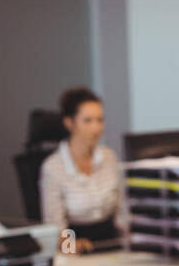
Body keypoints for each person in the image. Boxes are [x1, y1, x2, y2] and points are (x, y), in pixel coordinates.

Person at [38, 86, 123, 254]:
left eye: (100, 120)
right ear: (69, 123)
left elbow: (122, 211)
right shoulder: (53, 167)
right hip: (75, 252)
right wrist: (71, 246)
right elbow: (55, 229)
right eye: (88, 121)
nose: (96, 128)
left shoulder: (109, 157)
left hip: (111, 246)